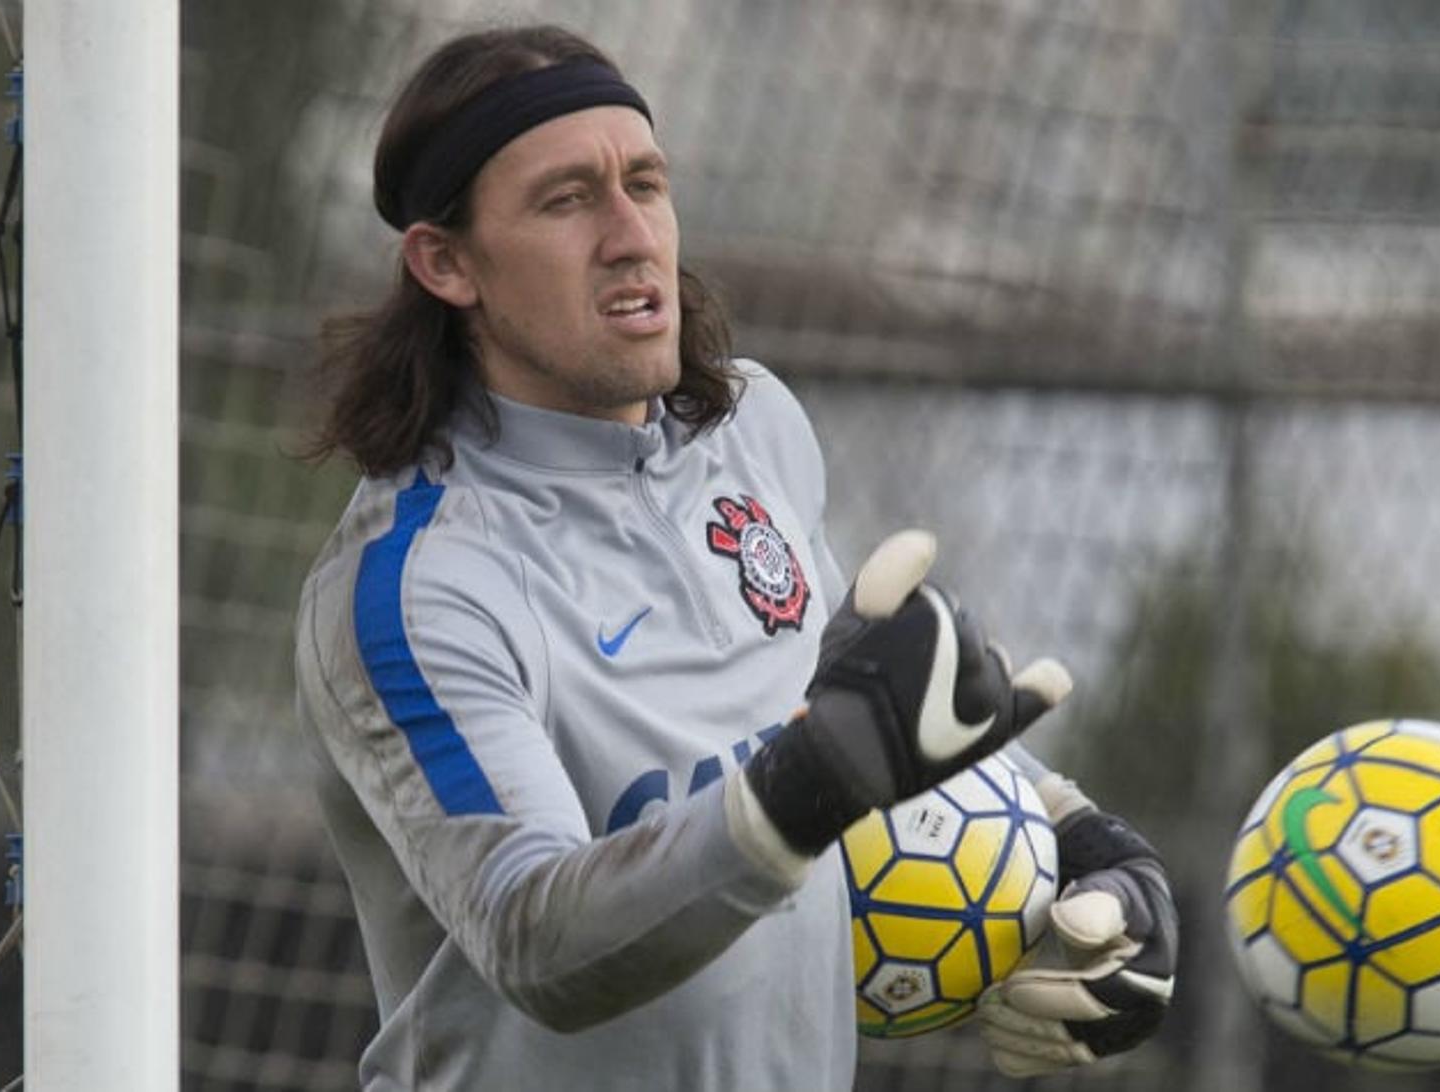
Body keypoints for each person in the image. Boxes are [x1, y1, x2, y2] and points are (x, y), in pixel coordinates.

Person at [295, 24, 1177, 1091]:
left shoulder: (752, 429)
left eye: (647, 183)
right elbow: (536, 937)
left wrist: (1078, 835)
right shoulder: (416, 588)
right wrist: (805, 789)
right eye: (567, 200)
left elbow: (846, 713)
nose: (632, 235)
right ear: (446, 262)